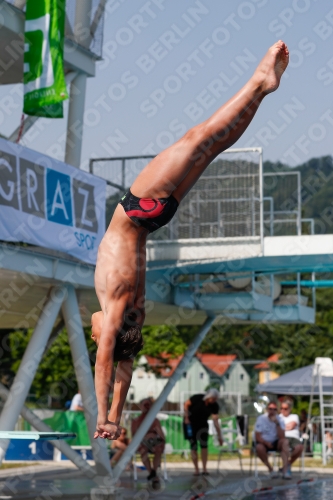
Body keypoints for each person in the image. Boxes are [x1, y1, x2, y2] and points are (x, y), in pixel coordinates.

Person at [91, 41, 290, 440]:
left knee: (212, 146)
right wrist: (102, 417)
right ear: (105, 336)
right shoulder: (114, 311)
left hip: (154, 218)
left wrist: (115, 416)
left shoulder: (135, 313)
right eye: (94, 337)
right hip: (136, 209)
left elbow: (124, 370)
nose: (91, 332)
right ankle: (257, 81)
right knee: (199, 137)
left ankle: (263, 90)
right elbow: (107, 367)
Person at [184, 389, 223, 476]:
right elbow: (186, 404)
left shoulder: (214, 406)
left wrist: (220, 436)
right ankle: (196, 469)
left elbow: (215, 421)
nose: (214, 401)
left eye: (215, 399)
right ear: (208, 397)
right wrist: (186, 418)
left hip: (203, 425)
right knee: (193, 447)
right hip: (191, 424)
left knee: (204, 446)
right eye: (213, 398)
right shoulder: (197, 398)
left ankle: (204, 468)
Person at [131, 398, 166, 484]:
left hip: (154, 441)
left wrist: (156, 436)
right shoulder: (136, 421)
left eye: (148, 405)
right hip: (142, 442)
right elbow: (134, 435)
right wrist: (144, 437)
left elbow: (161, 435)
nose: (147, 407)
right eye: (145, 405)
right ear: (141, 406)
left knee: (158, 450)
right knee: (143, 452)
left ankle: (153, 473)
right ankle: (153, 474)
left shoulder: (155, 420)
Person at [254, 400, 290, 479]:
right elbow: (257, 436)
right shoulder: (261, 419)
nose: (272, 411)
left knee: (285, 442)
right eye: (270, 409)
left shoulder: (280, 419)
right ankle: (270, 469)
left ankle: (285, 470)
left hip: (275, 442)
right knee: (259, 448)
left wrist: (276, 423)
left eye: (274, 409)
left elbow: (282, 437)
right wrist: (265, 443)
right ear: (267, 409)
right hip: (263, 442)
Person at [279, 399, 304, 475]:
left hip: (294, 438)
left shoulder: (294, 416)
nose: (283, 410)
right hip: (283, 438)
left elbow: (291, 426)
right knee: (285, 444)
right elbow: (282, 428)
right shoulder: (278, 417)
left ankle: (286, 465)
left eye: (285, 408)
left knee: (300, 447)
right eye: (281, 408)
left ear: (290, 409)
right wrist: (285, 427)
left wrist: (283, 427)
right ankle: (286, 471)